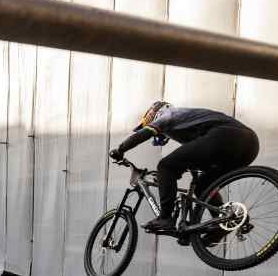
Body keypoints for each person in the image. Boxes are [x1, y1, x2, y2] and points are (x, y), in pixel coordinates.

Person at [110, 101, 259, 240]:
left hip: (225, 136)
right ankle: (224, 221)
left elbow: (145, 133)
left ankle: (165, 218)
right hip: (249, 146)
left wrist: (121, 149)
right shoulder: (188, 124)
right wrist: (166, 179)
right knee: (203, 186)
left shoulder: (169, 114)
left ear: (155, 114)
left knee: (165, 166)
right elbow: (196, 155)